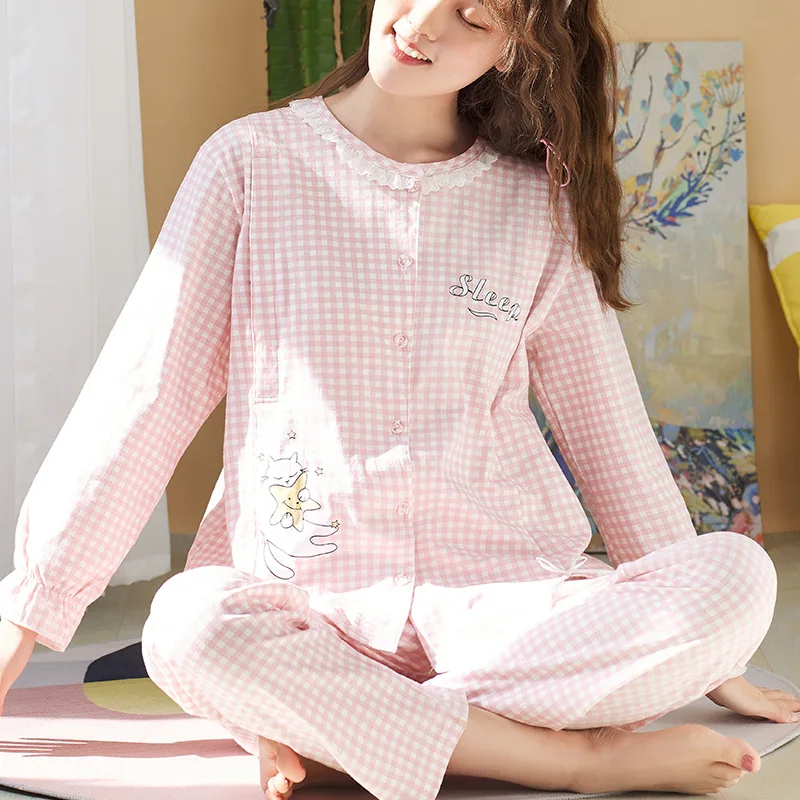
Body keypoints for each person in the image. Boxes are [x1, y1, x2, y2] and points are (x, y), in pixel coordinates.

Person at [0, 0, 795, 798]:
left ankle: (345, 728)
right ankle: (573, 761)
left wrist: (714, 657)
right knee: (187, 629)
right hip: (305, 605)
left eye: (471, 17)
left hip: (502, 604)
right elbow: (147, 390)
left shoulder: (536, 203)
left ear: (515, 48)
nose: (423, 23)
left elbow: (605, 423)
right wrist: (27, 612)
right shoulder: (249, 162)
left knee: (737, 578)